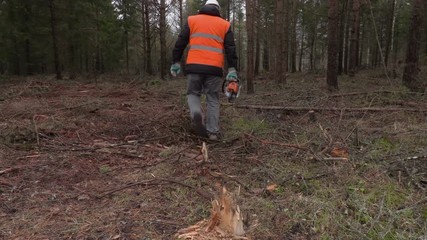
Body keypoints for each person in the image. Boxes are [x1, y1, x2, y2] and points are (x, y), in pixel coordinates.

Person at [170, 0, 238, 141]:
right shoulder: (224, 24)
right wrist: (232, 68)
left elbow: (180, 42)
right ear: (218, 9)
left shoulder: (192, 20)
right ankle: (212, 132)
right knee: (212, 98)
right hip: (214, 68)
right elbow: (230, 48)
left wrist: (176, 61)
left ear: (204, 7)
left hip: (194, 66)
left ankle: (196, 113)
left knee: (193, 93)